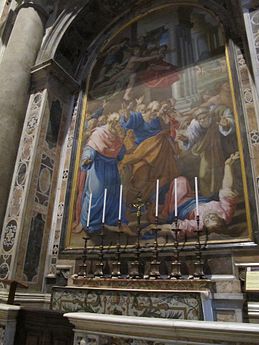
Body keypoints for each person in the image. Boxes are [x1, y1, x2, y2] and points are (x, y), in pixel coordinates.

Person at [143, 152, 240, 237]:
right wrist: (228, 166)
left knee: (180, 181)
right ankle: (165, 207)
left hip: (180, 206)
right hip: (194, 199)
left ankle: (166, 213)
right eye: (213, 217)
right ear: (221, 219)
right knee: (182, 183)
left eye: (207, 220)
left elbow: (175, 228)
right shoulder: (226, 212)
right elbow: (228, 188)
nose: (208, 216)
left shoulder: (198, 225)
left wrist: (155, 228)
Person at [77, 113, 134, 235]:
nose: (121, 128)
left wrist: (124, 149)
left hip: (112, 169)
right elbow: (89, 148)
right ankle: (92, 224)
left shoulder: (117, 137)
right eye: (120, 126)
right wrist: (87, 158)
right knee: (96, 195)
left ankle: (114, 222)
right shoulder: (98, 134)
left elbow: (120, 154)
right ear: (113, 124)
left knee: (114, 195)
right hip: (98, 168)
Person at [176, 106, 235, 197]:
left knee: (219, 172)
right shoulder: (195, 125)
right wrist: (185, 140)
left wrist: (226, 125)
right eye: (200, 119)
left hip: (220, 150)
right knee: (203, 175)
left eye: (205, 117)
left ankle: (218, 194)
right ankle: (207, 195)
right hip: (206, 153)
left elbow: (227, 127)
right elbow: (192, 138)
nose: (203, 120)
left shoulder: (215, 121)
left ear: (209, 116)